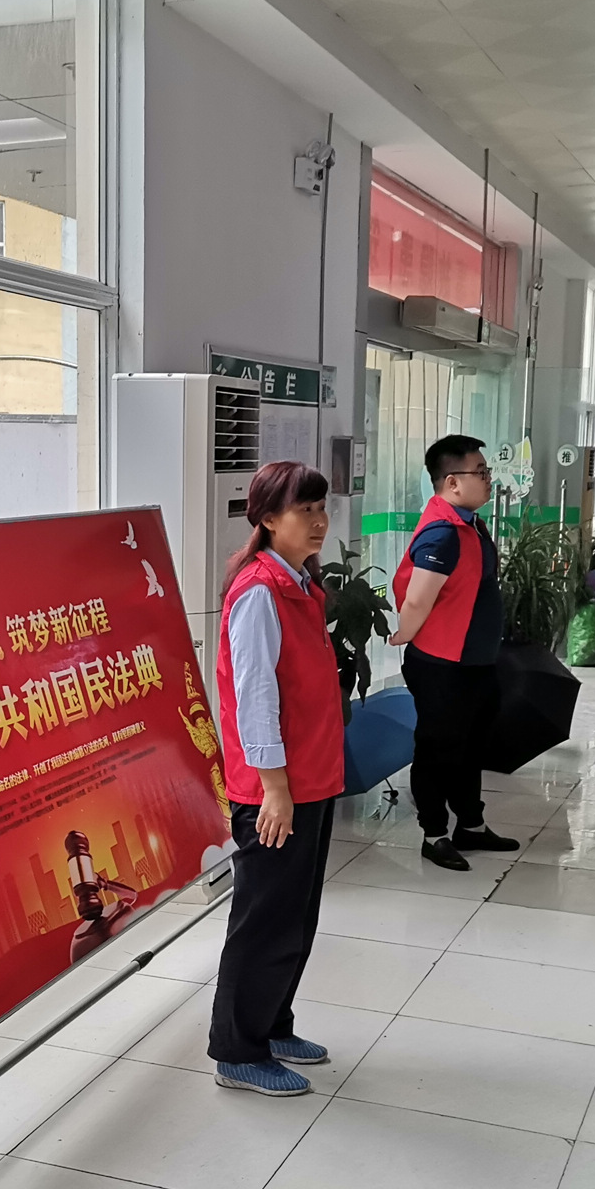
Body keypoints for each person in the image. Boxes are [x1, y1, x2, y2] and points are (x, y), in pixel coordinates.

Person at [210, 460, 345, 1098]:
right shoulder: (261, 591)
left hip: (310, 778)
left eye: (321, 508)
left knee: (295, 915)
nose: (318, 522)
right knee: (263, 920)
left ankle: (271, 1026)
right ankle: (238, 1050)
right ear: (267, 519)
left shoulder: (300, 583)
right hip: (274, 788)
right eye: (303, 511)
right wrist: (274, 789)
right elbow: (255, 698)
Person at [388, 435, 520, 871]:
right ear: (452, 482)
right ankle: (434, 834)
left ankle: (471, 825)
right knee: (438, 749)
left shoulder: (469, 522)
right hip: (443, 664)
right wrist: (404, 635)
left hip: (474, 660)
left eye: (486, 471)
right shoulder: (443, 533)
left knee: (471, 747)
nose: (488, 479)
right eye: (480, 472)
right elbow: (418, 598)